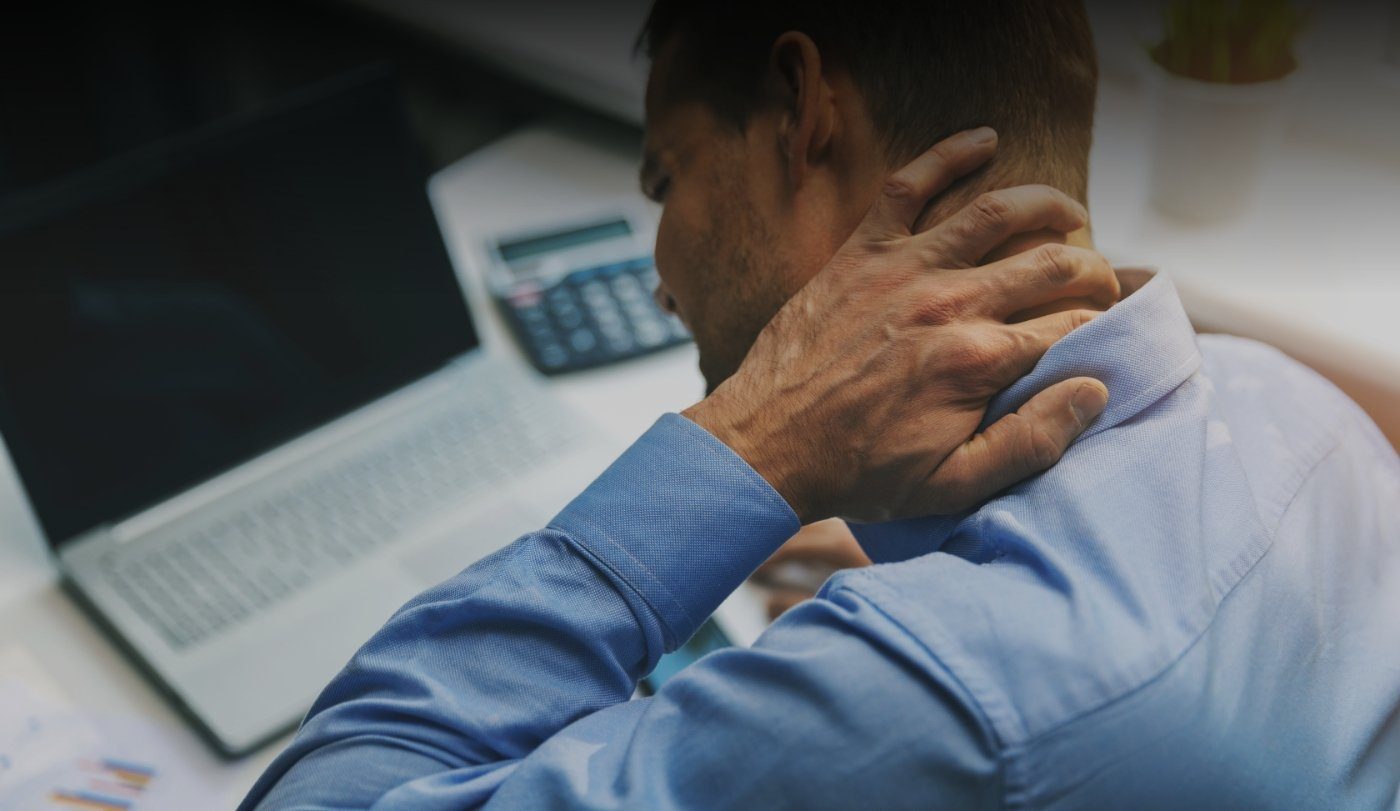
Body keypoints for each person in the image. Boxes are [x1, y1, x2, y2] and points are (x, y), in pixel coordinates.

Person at [241, 2, 1400, 808]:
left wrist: (743, 445)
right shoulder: (1309, 418)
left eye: (667, 177)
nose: (658, 267)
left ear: (803, 115)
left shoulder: (929, 689)